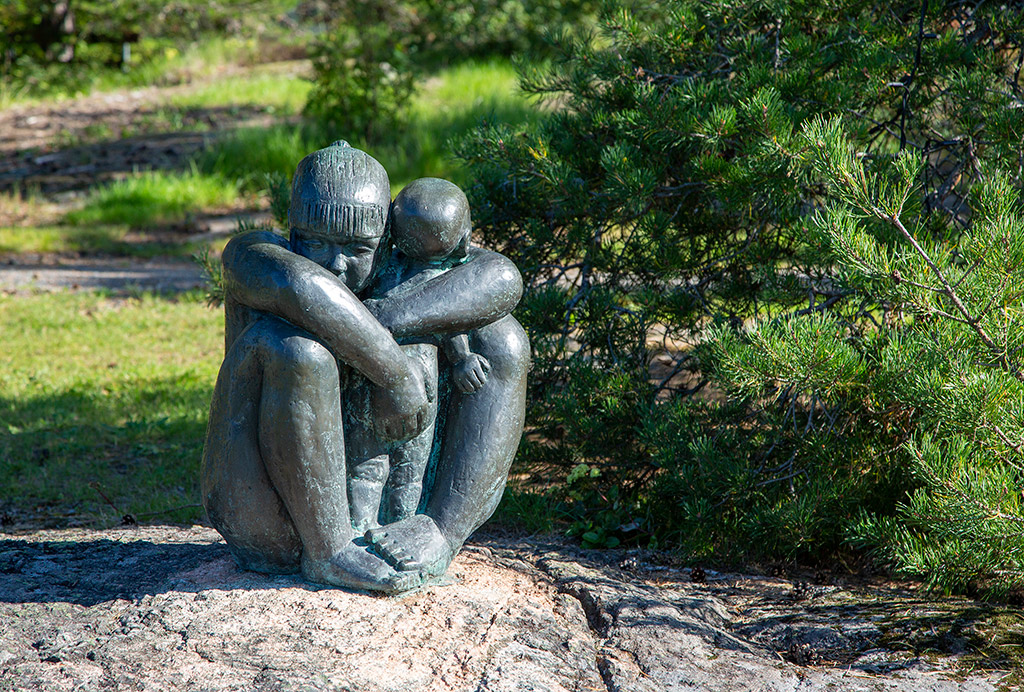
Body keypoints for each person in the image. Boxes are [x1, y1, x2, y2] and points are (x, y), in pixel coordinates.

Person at [201, 141, 528, 593]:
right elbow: (304, 287)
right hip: (264, 511)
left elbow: (501, 278)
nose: (336, 264)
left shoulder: (396, 266)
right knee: (299, 351)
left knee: (502, 340)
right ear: (292, 232)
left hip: (385, 502)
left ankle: (439, 530)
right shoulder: (253, 255)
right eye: (315, 243)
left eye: (357, 248)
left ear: (385, 238)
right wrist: (396, 375)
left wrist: (382, 319)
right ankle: (329, 551)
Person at [346, 177, 493, 534]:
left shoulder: (379, 271)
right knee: (408, 473)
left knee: (366, 468)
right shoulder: (446, 286)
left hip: (369, 384)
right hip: (421, 392)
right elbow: (452, 329)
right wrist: (462, 360)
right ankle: (399, 529)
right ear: (464, 239)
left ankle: (359, 528)